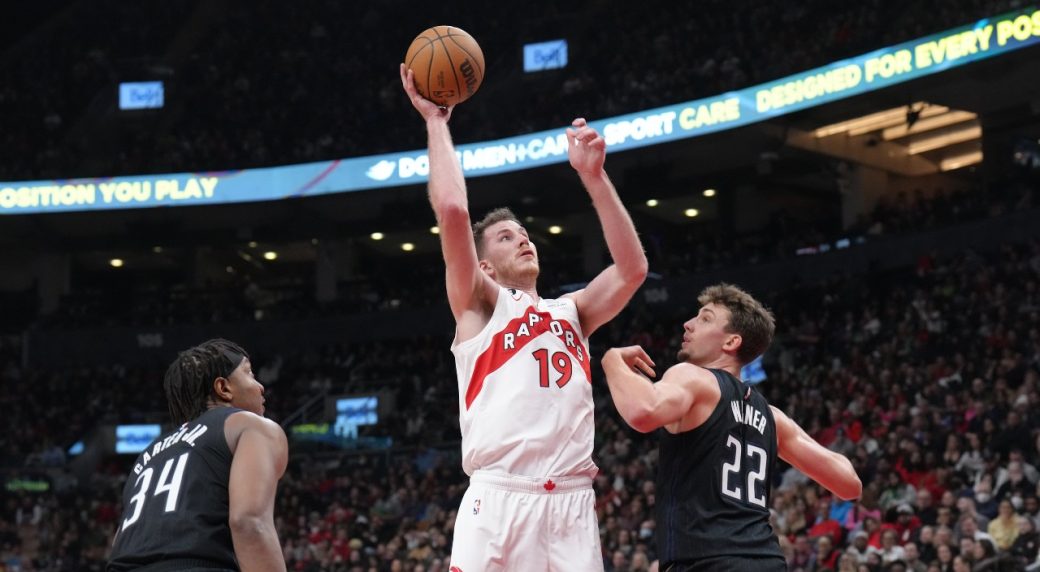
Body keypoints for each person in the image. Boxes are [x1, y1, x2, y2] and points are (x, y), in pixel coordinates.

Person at [399, 64, 648, 570]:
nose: (524, 239)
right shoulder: (479, 302)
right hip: (500, 499)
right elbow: (453, 212)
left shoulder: (572, 311)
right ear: (484, 265)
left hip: (573, 504)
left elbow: (632, 269)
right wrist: (436, 122)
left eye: (525, 234)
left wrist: (594, 178)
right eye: (506, 237)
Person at [601, 284, 862, 571]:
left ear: (731, 342)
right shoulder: (772, 417)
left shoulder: (693, 377)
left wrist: (612, 361)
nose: (688, 324)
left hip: (706, 561)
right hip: (767, 562)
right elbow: (849, 483)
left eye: (705, 318)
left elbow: (643, 411)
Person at [107, 339, 288, 572]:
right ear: (223, 388)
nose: (260, 386)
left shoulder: (148, 455)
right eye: (250, 373)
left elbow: (120, 541)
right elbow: (248, 522)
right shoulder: (250, 425)